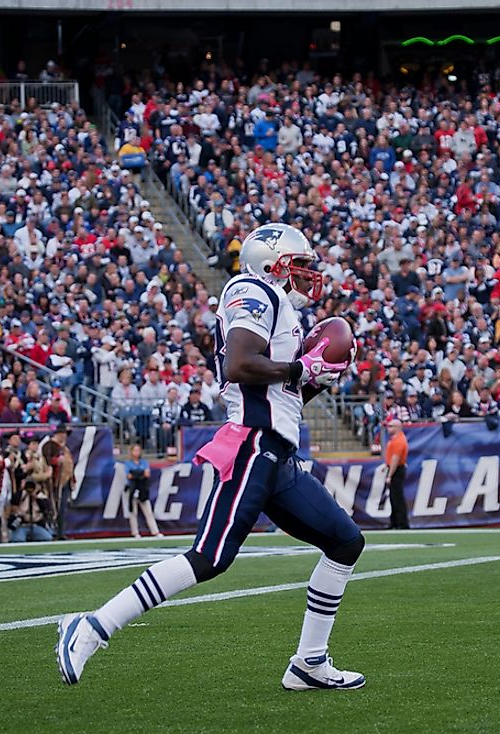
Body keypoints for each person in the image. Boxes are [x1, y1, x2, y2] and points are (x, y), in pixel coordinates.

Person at [57, 223, 365, 691]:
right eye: (299, 265)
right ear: (273, 264)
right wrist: (302, 367)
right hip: (253, 444)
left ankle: (309, 661)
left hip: (277, 452)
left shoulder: (280, 307)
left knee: (345, 542)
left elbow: (280, 395)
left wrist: (311, 382)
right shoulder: (251, 289)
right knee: (209, 557)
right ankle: (93, 626)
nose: (307, 275)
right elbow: (239, 365)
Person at [122, 443, 162, 539]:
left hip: (142, 489)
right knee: (133, 512)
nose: (137, 452)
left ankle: (155, 531)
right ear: (131, 452)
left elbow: (147, 474)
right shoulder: (128, 463)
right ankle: (135, 532)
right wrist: (140, 474)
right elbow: (129, 476)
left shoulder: (144, 462)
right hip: (132, 489)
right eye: (134, 450)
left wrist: (136, 473)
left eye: (138, 450)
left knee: (148, 511)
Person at [43, 425, 75, 539]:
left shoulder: (64, 448)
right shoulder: (50, 445)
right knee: (55, 507)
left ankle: (61, 532)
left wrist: (72, 479)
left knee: (63, 508)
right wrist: (56, 461)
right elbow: (46, 459)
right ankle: (54, 532)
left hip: (65, 481)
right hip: (55, 481)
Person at [383, 419, 410, 530]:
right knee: (394, 498)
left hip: (397, 470)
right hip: (395, 468)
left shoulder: (399, 441)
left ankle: (402, 523)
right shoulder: (395, 440)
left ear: (397, 427)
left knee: (397, 497)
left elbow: (396, 459)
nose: (388, 428)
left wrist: (390, 475)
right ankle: (394, 521)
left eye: (391, 426)